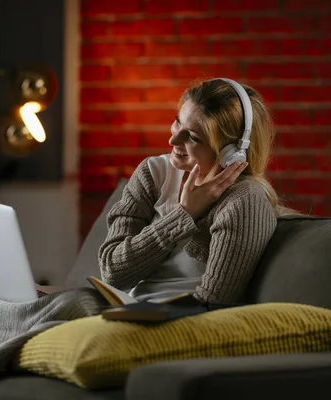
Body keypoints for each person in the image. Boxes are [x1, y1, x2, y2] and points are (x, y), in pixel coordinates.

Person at [98, 78, 289, 304]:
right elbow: (112, 273)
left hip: (177, 322)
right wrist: (183, 215)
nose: (173, 139)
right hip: (125, 309)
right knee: (63, 302)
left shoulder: (245, 200)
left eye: (193, 137)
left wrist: (187, 215)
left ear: (231, 153)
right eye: (178, 122)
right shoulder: (153, 173)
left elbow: (213, 304)